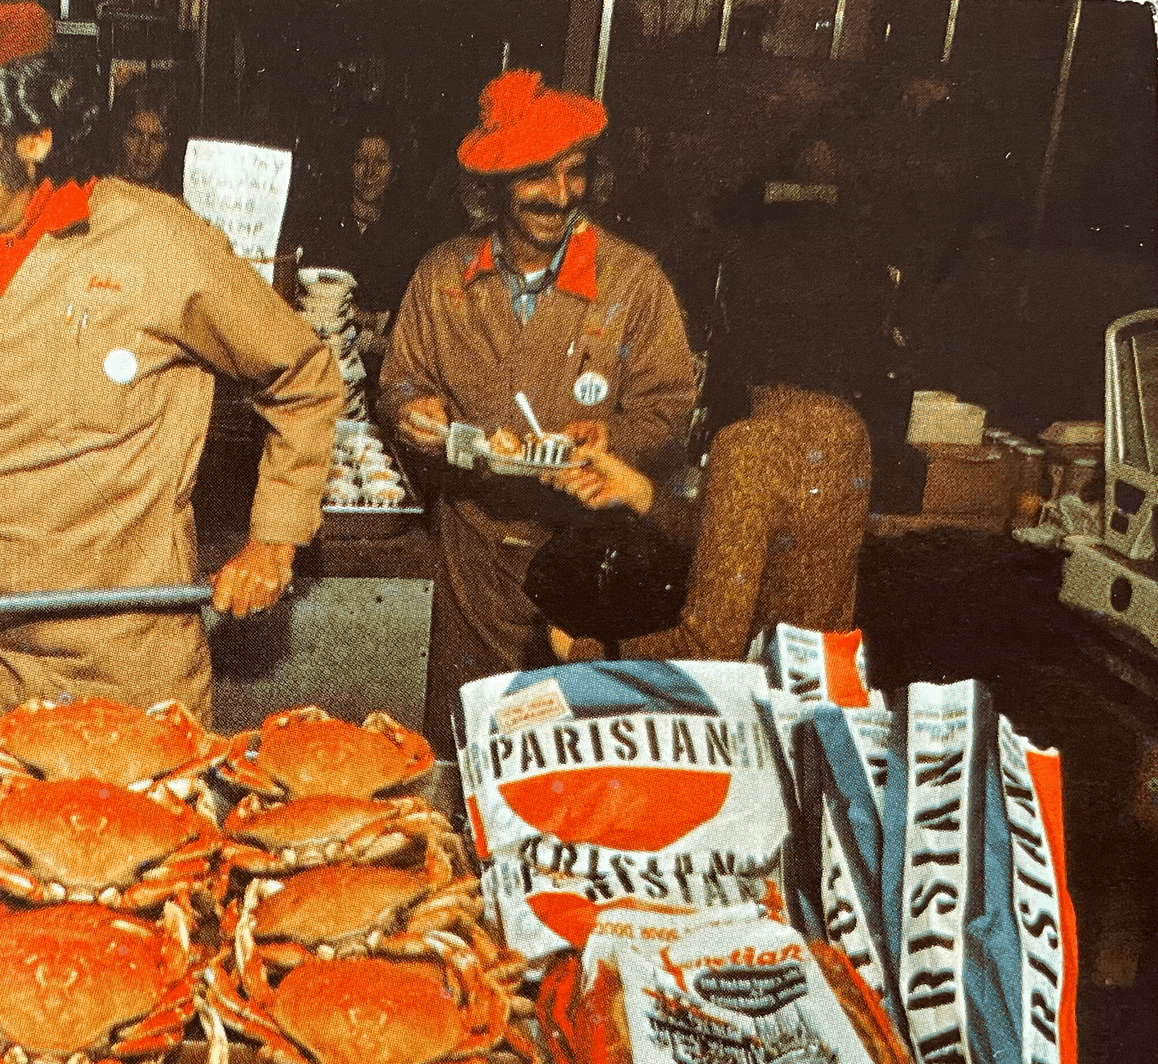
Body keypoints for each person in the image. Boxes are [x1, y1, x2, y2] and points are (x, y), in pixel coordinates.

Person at [0, 2, 341, 721]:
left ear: (34, 135)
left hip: (135, 677)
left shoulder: (156, 241)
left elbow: (302, 376)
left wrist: (274, 538)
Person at [378, 69, 696, 745]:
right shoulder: (442, 275)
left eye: (574, 173)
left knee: (564, 762)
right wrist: (414, 408)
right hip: (471, 566)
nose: (559, 196)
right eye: (536, 177)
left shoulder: (633, 281)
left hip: (586, 567)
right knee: (466, 748)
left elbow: (669, 408)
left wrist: (611, 439)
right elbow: (398, 381)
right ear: (492, 190)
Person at [541, 200, 885, 662]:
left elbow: (707, 647)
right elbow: (744, 547)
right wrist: (639, 491)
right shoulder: (847, 429)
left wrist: (582, 653)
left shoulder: (749, 446)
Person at [288, 111, 427, 335]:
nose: (369, 173)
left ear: (394, 171)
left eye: (380, 162)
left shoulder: (407, 235)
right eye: (361, 160)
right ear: (349, 166)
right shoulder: (323, 224)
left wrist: (367, 319)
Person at [109, 73, 184, 195]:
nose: (144, 150)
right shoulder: (96, 195)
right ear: (120, 135)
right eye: (134, 135)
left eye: (157, 139)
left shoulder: (177, 207)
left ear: (170, 145)